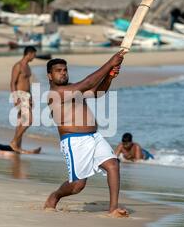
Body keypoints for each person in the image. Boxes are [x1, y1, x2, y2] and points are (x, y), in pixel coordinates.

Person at [43, 51, 128, 218]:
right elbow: (88, 82)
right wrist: (110, 62)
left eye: (65, 70)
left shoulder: (72, 88)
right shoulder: (56, 94)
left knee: (113, 165)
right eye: (58, 70)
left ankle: (113, 209)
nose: (63, 73)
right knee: (77, 186)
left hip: (94, 136)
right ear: (49, 76)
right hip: (74, 141)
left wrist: (109, 77)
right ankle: (55, 196)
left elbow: (97, 92)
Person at [9, 46, 40, 153]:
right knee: (29, 121)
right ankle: (14, 141)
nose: (34, 57)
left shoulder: (27, 67)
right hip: (20, 95)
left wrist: (31, 97)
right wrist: (15, 97)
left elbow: (27, 83)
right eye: (34, 55)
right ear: (29, 53)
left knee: (21, 122)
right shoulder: (18, 66)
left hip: (26, 96)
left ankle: (17, 147)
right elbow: (13, 82)